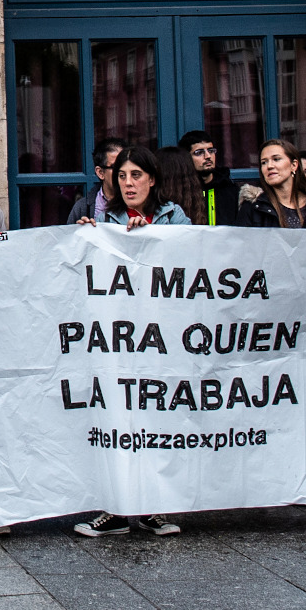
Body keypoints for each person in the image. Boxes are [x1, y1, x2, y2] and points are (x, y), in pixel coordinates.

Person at [71, 143, 189, 540]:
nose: (128, 183)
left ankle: (154, 506)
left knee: (155, 419)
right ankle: (114, 508)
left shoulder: (175, 217)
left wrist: (150, 238)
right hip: (118, 341)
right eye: (121, 175)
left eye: (136, 175)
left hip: (161, 340)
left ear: (152, 179)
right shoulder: (105, 218)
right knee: (117, 421)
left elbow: (189, 265)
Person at [236, 139, 306, 229]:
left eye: (276, 159)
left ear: (294, 165)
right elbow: (244, 248)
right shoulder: (253, 207)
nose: (269, 166)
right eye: (264, 162)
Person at [176, 131, 242, 226]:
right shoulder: (181, 192)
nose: (208, 156)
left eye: (211, 151)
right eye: (199, 153)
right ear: (187, 158)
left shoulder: (230, 190)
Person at [66, 137, 127, 225]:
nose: (123, 172)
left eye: (125, 165)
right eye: (116, 167)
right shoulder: (82, 208)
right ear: (100, 172)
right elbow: (70, 237)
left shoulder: (138, 202)